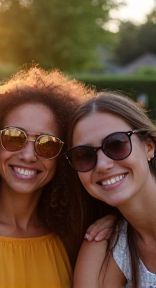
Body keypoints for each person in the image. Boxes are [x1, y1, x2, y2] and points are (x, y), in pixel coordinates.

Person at [0, 67, 114, 288]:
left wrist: (117, 221)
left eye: (46, 144)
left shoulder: (70, 237)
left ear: (62, 157)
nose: (28, 156)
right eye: (14, 137)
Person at [65, 91, 156, 288]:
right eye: (84, 155)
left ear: (149, 146)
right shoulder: (104, 246)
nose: (102, 165)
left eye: (116, 144)